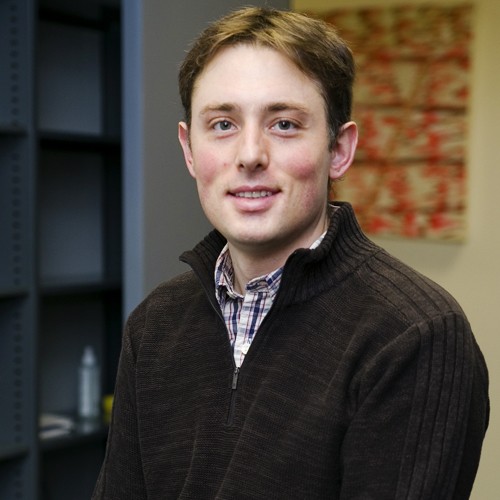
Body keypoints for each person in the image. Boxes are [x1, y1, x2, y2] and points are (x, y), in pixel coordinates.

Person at [92, 6, 489, 499]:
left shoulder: (415, 336)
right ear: (189, 150)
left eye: (283, 124)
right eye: (222, 124)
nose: (250, 154)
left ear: (338, 150)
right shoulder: (153, 326)